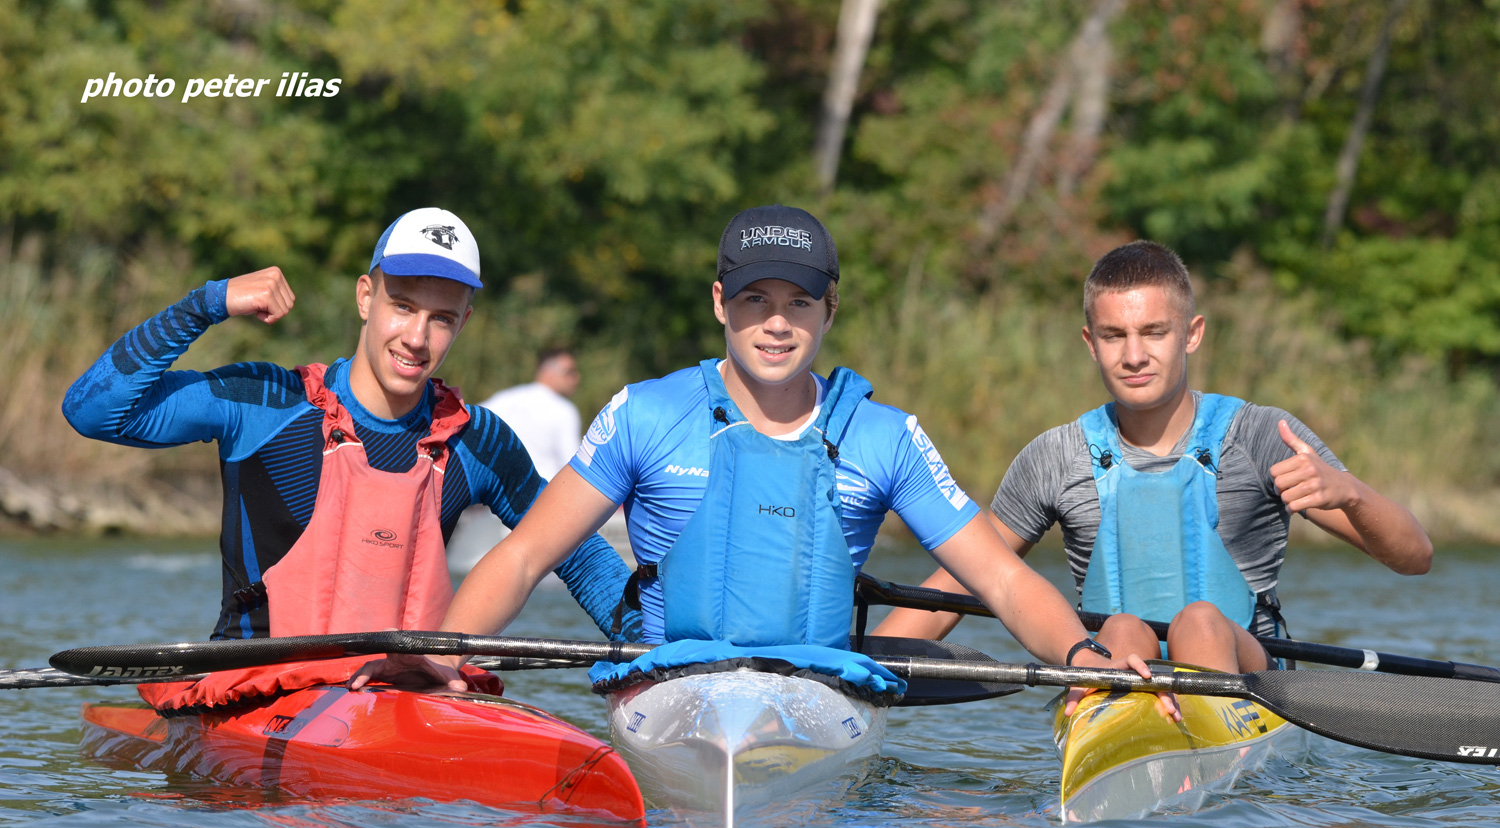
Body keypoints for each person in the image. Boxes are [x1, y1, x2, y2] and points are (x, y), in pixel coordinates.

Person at [354, 204, 1142, 694]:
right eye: (755, 300)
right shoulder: (646, 413)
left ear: (830, 311)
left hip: (819, 693)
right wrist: (442, 656)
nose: (776, 323)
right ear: (719, 303)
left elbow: (1003, 579)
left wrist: (1080, 652)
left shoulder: (884, 436)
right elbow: (526, 557)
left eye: (799, 302)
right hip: (669, 689)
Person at [63, 208, 636, 712]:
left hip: (404, 699)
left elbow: (576, 552)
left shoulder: (476, 440)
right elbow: (94, 412)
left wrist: (650, 658)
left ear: (463, 323)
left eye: (441, 318)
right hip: (256, 698)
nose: (417, 337)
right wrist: (206, 304)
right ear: (366, 297)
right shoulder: (269, 403)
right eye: (403, 306)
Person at [873, 240, 1432, 716]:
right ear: (1090, 342)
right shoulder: (1056, 457)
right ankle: (1121, 722)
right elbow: (964, 581)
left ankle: (1212, 747)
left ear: (1191, 334)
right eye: (1114, 336)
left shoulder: (1264, 437)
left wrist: (1353, 495)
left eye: (1154, 332)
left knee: (1199, 622)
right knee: (1121, 628)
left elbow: (1414, 557)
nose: (1134, 355)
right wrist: (858, 673)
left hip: (1250, 673)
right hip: (1118, 663)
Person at [479, 347, 583, 480]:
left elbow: (475, 424)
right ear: (548, 371)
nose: (576, 378)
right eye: (570, 372)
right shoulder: (565, 410)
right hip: (543, 492)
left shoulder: (507, 398)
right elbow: (573, 464)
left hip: (502, 491)